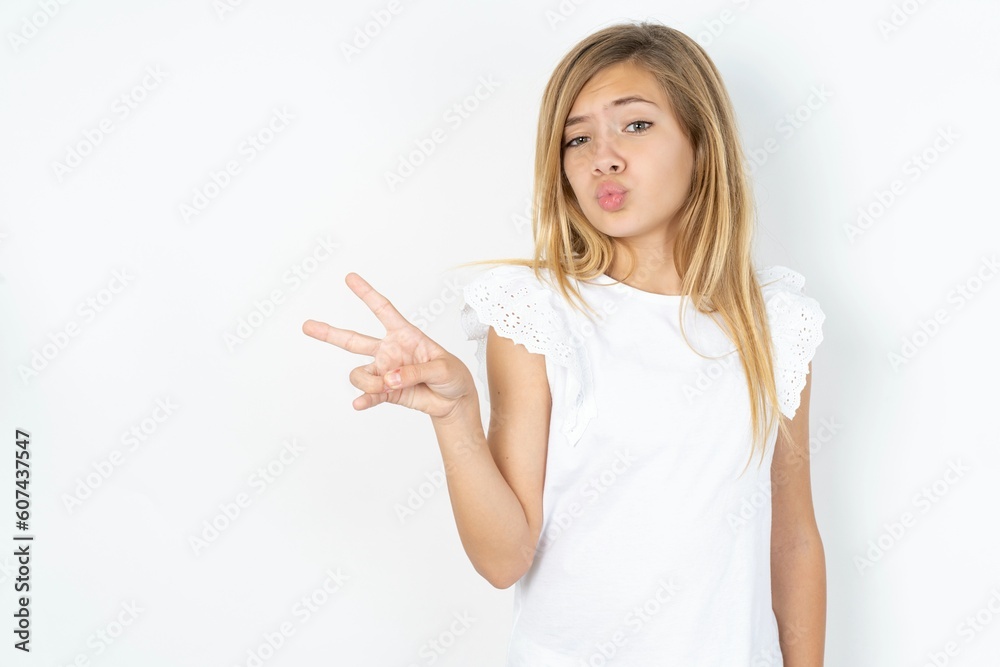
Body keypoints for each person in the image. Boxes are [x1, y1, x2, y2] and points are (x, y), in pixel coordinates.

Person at [303, 20, 826, 666]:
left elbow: (793, 540)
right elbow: (505, 557)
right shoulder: (537, 314)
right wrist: (456, 416)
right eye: (576, 138)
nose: (602, 155)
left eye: (635, 124)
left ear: (702, 140)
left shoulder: (772, 323)